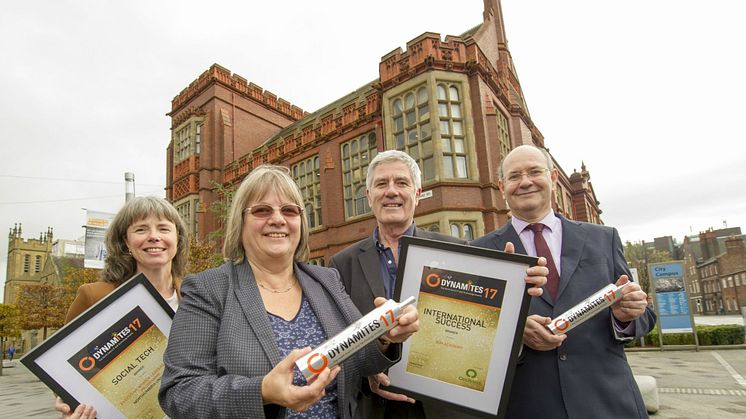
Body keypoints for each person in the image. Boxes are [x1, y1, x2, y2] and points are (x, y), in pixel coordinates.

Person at [158, 165, 419, 419]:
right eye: (261, 210)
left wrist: (384, 337)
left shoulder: (326, 280)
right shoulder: (207, 290)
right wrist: (261, 392)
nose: (278, 219)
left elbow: (360, 360)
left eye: (289, 210)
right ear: (240, 221)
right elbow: (179, 392)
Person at [329, 150, 548, 419]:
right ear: (368, 195)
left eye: (401, 183)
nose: (391, 191)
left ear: (417, 193)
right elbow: (336, 342)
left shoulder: (458, 251)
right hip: (376, 407)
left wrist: (511, 294)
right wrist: (368, 369)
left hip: (446, 409)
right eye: (381, 184)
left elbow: (482, 332)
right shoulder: (341, 265)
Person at [471, 145, 655, 418]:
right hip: (527, 405)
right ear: (502, 186)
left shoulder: (603, 238)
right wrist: (516, 332)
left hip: (606, 402)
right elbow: (471, 334)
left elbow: (644, 318)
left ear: (553, 178)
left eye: (534, 172)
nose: (525, 182)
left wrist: (625, 317)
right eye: (514, 176)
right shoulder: (480, 251)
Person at [55, 196, 189, 419]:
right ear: (125, 242)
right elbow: (63, 365)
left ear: (178, 238)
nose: (154, 237)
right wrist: (68, 398)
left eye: (164, 228)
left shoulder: (197, 296)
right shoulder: (94, 296)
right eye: (141, 229)